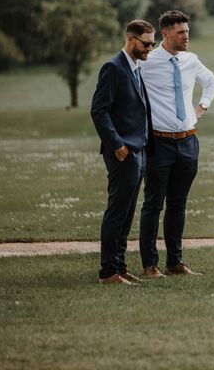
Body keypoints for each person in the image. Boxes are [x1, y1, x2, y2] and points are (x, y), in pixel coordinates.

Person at [138, 10, 214, 278]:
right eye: (181, 32)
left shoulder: (191, 60)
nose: (186, 36)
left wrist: (202, 107)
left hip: (188, 142)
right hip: (158, 143)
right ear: (166, 33)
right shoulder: (147, 62)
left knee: (178, 203)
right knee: (153, 204)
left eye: (187, 31)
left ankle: (175, 262)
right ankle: (150, 265)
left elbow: (211, 81)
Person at [91, 19, 156, 285]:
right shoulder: (113, 68)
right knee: (117, 211)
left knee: (127, 212)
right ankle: (108, 272)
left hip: (138, 151)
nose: (150, 49)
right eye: (146, 43)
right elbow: (99, 110)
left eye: (152, 44)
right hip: (123, 152)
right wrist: (117, 145)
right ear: (131, 39)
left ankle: (119, 266)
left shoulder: (135, 68)